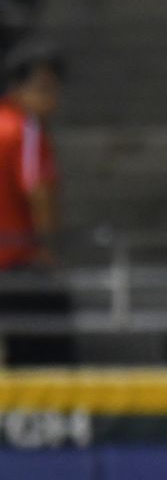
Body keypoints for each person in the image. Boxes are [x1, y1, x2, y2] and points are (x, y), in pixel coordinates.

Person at [0, 45, 69, 365]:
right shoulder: (23, 129)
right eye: (44, 89)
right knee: (45, 361)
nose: (52, 100)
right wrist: (46, 249)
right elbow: (38, 190)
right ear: (17, 88)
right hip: (18, 264)